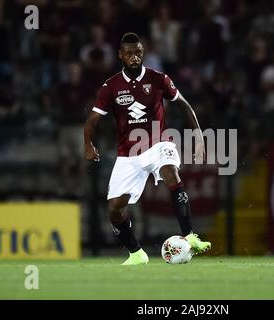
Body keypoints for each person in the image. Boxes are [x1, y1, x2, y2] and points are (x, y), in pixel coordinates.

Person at [83, 32, 211, 265]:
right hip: (128, 154)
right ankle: (136, 253)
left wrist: (199, 136)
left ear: (143, 53)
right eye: (129, 53)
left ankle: (191, 236)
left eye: (138, 53)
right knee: (114, 209)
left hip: (158, 143)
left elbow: (183, 104)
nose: (134, 57)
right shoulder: (110, 86)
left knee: (171, 172)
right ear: (121, 56)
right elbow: (93, 119)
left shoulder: (158, 78)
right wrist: (88, 143)